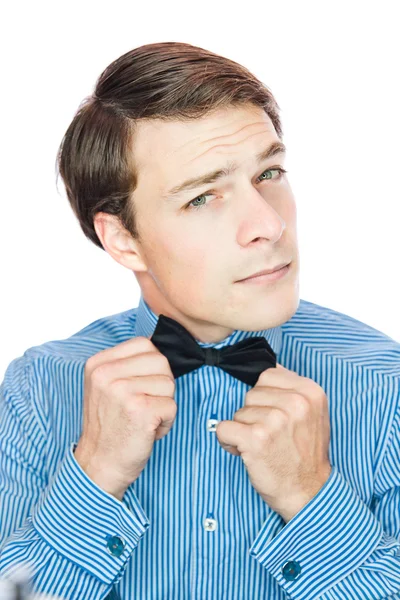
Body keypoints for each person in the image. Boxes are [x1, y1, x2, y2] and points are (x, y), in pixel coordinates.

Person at [0, 41, 399, 600]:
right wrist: (94, 475)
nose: (267, 225)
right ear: (122, 239)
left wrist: (312, 497)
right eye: (203, 198)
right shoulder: (36, 391)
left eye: (270, 172)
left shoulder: (388, 387)